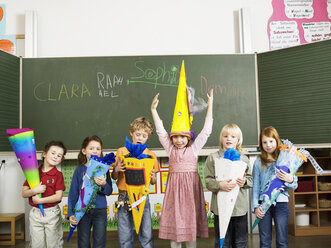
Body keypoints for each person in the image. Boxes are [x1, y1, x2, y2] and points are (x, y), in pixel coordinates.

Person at [151, 88, 213, 248]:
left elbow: (206, 131)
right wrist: (153, 111)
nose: (178, 140)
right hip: (174, 190)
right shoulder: (170, 149)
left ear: (189, 137)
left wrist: (210, 105)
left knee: (190, 220)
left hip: (191, 190)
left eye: (182, 137)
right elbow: (160, 131)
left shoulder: (194, 149)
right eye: (175, 137)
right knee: (175, 221)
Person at [112, 116, 159, 248]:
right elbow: (114, 177)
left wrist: (153, 176)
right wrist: (116, 169)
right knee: (124, 232)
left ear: (148, 137)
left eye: (144, 136)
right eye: (137, 134)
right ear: (131, 133)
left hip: (142, 196)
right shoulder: (122, 151)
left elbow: (154, 182)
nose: (140, 138)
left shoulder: (151, 155)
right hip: (124, 196)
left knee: (146, 231)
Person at [204, 123, 252, 248]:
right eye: (225, 136)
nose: (229, 139)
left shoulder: (244, 159)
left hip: (239, 208)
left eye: (233, 136)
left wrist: (244, 182)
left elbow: (251, 179)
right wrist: (220, 185)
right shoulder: (213, 158)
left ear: (238, 140)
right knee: (222, 242)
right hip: (220, 208)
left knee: (240, 242)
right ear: (221, 138)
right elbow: (208, 181)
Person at [252, 126, 297, 248]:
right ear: (261, 144)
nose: (268, 145)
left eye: (271, 141)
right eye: (264, 142)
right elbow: (255, 186)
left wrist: (290, 179)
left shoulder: (285, 160)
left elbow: (294, 185)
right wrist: (256, 206)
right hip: (263, 206)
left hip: (281, 203)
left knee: (282, 240)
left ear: (277, 141)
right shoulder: (258, 162)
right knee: (265, 241)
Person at [68, 135, 112, 248]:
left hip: (99, 211)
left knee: (100, 242)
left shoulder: (104, 169)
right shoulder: (79, 170)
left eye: (98, 149)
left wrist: (103, 184)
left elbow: (109, 191)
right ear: (84, 151)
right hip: (82, 211)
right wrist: (70, 214)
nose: (95, 151)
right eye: (91, 148)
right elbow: (73, 193)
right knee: (83, 242)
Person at [22, 140, 67, 248]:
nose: (56, 156)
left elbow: (58, 196)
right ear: (44, 154)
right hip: (35, 214)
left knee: (53, 244)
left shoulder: (58, 175)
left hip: (51, 213)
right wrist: (34, 191)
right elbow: (24, 193)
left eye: (59, 155)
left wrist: (40, 200)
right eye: (53, 153)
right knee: (37, 244)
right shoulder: (33, 173)